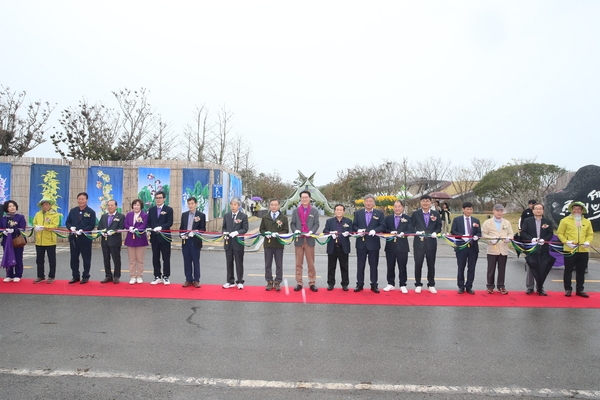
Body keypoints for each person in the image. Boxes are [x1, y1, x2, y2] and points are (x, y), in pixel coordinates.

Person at [557, 201, 594, 298]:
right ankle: (568, 289)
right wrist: (566, 242)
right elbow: (560, 233)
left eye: (579, 209)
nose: (576, 210)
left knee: (581, 271)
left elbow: (590, 234)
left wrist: (587, 242)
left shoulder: (587, 222)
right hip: (570, 249)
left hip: (583, 250)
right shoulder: (565, 220)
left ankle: (580, 289)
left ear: (582, 211)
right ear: (572, 210)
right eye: (575, 209)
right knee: (568, 270)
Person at [353, 194, 386, 293]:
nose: (368, 203)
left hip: (373, 243)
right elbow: (354, 226)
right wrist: (358, 230)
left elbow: (382, 226)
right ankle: (359, 284)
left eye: (370, 201)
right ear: (364, 202)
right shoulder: (358, 213)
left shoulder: (379, 213)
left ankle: (374, 284)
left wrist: (375, 230)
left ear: (374, 203)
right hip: (361, 243)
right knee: (360, 265)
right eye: (367, 201)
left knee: (373, 265)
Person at [520, 203, 554, 295]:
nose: (538, 210)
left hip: (543, 248)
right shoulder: (527, 221)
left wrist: (544, 239)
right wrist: (532, 239)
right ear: (533, 210)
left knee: (542, 268)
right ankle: (530, 287)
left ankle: (540, 287)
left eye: (540, 209)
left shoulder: (548, 222)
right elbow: (523, 233)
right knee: (531, 268)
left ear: (543, 210)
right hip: (531, 247)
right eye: (536, 209)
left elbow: (550, 234)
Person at [411, 195, 442, 294]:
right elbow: (411, 227)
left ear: (430, 202)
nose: (425, 203)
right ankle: (418, 284)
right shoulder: (415, 214)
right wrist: (416, 232)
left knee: (431, 265)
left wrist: (435, 233)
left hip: (431, 243)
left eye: (427, 201)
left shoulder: (435, 214)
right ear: (420, 202)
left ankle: (431, 284)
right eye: (423, 201)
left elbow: (439, 227)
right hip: (419, 243)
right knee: (418, 264)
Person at [290, 190, 320, 292]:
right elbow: (292, 224)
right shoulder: (296, 211)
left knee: (311, 263)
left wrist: (311, 231)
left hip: (310, 239)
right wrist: (295, 230)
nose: (304, 199)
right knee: (298, 263)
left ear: (310, 198)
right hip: (299, 240)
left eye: (306, 197)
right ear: (300, 199)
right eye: (302, 197)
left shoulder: (314, 211)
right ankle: (299, 282)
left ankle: (312, 282)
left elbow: (316, 224)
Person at [481, 204, 514, 294]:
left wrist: (508, 238)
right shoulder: (487, 223)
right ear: (493, 211)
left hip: (503, 249)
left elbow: (511, 234)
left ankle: (501, 286)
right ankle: (490, 286)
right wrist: (491, 239)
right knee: (491, 269)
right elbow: (483, 234)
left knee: (502, 269)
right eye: (497, 211)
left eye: (501, 211)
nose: (499, 213)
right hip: (492, 249)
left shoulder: (507, 223)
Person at [450, 202, 481, 294]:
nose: (469, 211)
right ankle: (461, 286)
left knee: (471, 267)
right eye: (467, 209)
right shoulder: (457, 220)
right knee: (461, 267)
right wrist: (462, 236)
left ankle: (469, 286)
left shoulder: (476, 220)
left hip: (473, 247)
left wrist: (477, 236)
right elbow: (453, 231)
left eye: (471, 209)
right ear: (463, 210)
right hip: (461, 246)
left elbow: (479, 232)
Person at [65, 192, 96, 284]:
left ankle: (85, 276)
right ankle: (75, 276)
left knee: (86, 258)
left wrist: (83, 230)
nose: (81, 201)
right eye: (79, 199)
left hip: (85, 238)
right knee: (74, 258)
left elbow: (92, 225)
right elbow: (67, 222)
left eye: (83, 199)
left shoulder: (91, 212)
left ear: (86, 200)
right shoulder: (73, 211)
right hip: (74, 238)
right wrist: (70, 228)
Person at [382, 200, 413, 293]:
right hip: (390, 246)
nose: (397, 208)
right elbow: (384, 229)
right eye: (395, 206)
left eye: (399, 206)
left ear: (402, 207)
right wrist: (389, 232)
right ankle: (390, 283)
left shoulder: (407, 218)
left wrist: (404, 233)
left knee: (402, 266)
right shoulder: (388, 218)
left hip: (402, 246)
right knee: (390, 266)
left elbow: (411, 229)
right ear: (393, 207)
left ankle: (403, 284)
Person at [259, 198, 289, 291]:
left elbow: (286, 230)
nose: (274, 206)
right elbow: (261, 229)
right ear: (269, 206)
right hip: (268, 244)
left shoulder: (283, 217)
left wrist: (278, 234)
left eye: (275, 205)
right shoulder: (265, 217)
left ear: (279, 206)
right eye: (272, 205)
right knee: (268, 263)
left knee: (279, 264)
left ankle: (277, 282)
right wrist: (266, 233)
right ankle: (269, 281)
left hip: (278, 244)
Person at [323, 204, 353, 291]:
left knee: (344, 266)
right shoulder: (329, 221)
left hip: (343, 247)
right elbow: (325, 230)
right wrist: (330, 232)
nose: (339, 211)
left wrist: (348, 233)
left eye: (341, 210)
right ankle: (330, 283)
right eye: (337, 210)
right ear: (334, 211)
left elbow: (351, 231)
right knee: (331, 267)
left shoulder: (348, 221)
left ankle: (345, 284)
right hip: (332, 246)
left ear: (343, 211)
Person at [147, 191, 173, 285]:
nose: (158, 199)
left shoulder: (168, 209)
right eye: (157, 198)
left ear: (164, 199)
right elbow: (149, 221)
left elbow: (170, 222)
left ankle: (166, 276)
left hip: (165, 237)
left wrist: (161, 227)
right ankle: (157, 276)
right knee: (155, 257)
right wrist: (149, 228)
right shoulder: (151, 210)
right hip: (154, 237)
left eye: (160, 198)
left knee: (166, 258)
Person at [222, 197, 249, 289]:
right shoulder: (226, 215)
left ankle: (240, 281)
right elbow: (224, 227)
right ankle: (230, 281)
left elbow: (245, 228)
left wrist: (237, 232)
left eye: (235, 204)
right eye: (231, 204)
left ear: (239, 206)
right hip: (228, 242)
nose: (233, 206)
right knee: (229, 262)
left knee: (239, 262)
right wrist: (224, 232)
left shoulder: (243, 216)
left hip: (238, 243)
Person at [179, 197, 206, 288]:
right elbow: (181, 228)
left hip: (195, 241)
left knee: (195, 261)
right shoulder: (184, 215)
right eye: (189, 204)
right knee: (187, 261)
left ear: (196, 204)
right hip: (185, 241)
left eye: (192, 203)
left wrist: (195, 232)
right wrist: (181, 234)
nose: (190, 205)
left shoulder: (201, 215)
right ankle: (188, 279)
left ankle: (196, 280)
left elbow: (203, 229)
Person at [97, 199, 125, 284]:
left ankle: (116, 276)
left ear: (116, 206)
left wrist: (113, 231)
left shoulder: (121, 216)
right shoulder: (104, 216)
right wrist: (102, 232)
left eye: (112, 205)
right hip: (105, 241)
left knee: (116, 259)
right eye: (109, 205)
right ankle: (108, 275)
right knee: (106, 259)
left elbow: (121, 228)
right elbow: (99, 227)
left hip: (115, 241)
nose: (110, 207)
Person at [32, 198, 59, 284]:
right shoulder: (37, 214)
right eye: (43, 204)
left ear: (50, 205)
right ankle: (40, 276)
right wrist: (36, 227)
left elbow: (55, 225)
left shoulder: (54, 214)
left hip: (50, 240)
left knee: (51, 259)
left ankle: (51, 276)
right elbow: (34, 223)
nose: (45, 206)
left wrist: (44, 227)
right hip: (39, 240)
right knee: (39, 259)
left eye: (47, 204)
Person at [1, 200, 27, 282]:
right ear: (6, 208)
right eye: (9, 206)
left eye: (13, 206)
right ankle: (9, 274)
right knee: (8, 256)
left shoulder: (20, 217)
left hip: (17, 240)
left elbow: (22, 228)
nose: (12, 208)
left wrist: (14, 230)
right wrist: (3, 232)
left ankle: (18, 274)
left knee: (18, 257)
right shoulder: (3, 218)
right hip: (6, 241)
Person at [124, 199, 148, 284]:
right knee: (132, 260)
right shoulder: (129, 215)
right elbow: (125, 223)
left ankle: (140, 276)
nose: (136, 207)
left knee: (140, 259)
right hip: (130, 239)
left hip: (140, 239)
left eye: (138, 205)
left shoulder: (144, 215)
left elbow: (144, 225)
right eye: (134, 205)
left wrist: (138, 229)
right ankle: (132, 276)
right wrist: (129, 228)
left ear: (141, 206)